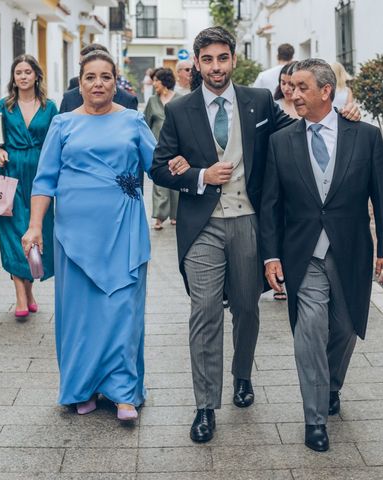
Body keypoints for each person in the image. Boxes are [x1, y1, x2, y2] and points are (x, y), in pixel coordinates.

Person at [151, 27, 361, 444]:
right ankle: (205, 406)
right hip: (203, 225)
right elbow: (158, 167)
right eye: (207, 59)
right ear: (196, 62)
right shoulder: (180, 110)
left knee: (247, 309)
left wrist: (343, 116)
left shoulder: (259, 102)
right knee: (205, 310)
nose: (215, 67)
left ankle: (242, 375)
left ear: (233, 59)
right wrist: (199, 175)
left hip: (249, 221)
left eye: (222, 58)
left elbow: (305, 122)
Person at [260, 59, 383, 452]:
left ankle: (331, 384)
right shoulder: (281, 141)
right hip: (303, 255)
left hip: (350, 251)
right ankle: (315, 416)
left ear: (326, 91)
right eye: (291, 87)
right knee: (310, 330)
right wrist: (271, 256)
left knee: (345, 327)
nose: (294, 94)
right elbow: (270, 205)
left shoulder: (365, 136)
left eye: (302, 87)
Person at [22, 49, 167, 422]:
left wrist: (193, 167)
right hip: (73, 235)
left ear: (116, 81)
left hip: (123, 231)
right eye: (90, 77)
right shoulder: (62, 124)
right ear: (80, 82)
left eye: (105, 77)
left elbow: (160, 167)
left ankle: (124, 393)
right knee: (80, 317)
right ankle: (81, 388)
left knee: (122, 312)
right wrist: (35, 225)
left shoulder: (134, 122)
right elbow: (44, 181)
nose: (98, 83)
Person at [0, 54, 58, 318]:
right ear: (13, 78)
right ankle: (20, 296)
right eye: (18, 73)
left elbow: (58, 140)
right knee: (12, 233)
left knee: (36, 231)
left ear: (37, 75)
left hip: (41, 175)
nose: (23, 76)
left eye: (27, 72)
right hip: (9, 175)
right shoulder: (4, 107)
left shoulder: (50, 107)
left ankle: (29, 287)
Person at [144, 68, 180, 230]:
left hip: (178, 147)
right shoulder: (152, 101)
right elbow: (145, 124)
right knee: (159, 180)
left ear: (164, 81)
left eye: (156, 80)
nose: (154, 83)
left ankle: (176, 215)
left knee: (177, 179)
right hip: (157, 147)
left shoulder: (180, 99)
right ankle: (158, 216)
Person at [59, 44, 138, 113]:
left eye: (105, 77)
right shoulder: (68, 99)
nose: (98, 83)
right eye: (81, 64)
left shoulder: (128, 102)